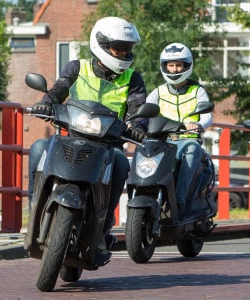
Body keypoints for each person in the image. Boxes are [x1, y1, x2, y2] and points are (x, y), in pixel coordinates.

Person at [28, 17, 147, 265]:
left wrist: (138, 128)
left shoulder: (133, 79)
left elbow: (139, 108)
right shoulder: (76, 67)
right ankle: (34, 209)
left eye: (127, 48)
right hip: (72, 136)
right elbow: (59, 88)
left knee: (121, 165)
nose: (124, 53)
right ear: (100, 44)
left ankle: (103, 229)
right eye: (118, 47)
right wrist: (46, 104)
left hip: (108, 144)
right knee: (39, 147)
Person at [146, 42, 212, 219]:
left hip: (187, 139)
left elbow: (207, 116)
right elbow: (145, 112)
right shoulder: (157, 92)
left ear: (187, 66)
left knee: (192, 150)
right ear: (165, 66)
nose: (174, 69)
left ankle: (180, 200)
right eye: (171, 65)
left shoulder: (197, 90)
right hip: (162, 141)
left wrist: (198, 125)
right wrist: (137, 125)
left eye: (178, 65)